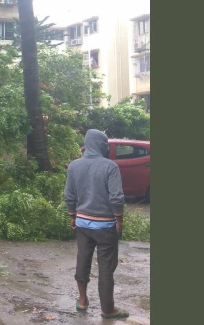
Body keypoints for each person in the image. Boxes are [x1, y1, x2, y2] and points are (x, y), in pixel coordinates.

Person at [64, 129, 130, 319]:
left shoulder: (74, 166)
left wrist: (72, 215)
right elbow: (116, 198)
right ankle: (108, 310)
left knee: (82, 261)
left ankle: (82, 301)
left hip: (83, 223)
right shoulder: (110, 167)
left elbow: (69, 195)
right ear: (100, 145)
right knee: (106, 268)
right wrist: (119, 219)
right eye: (105, 144)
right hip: (105, 226)